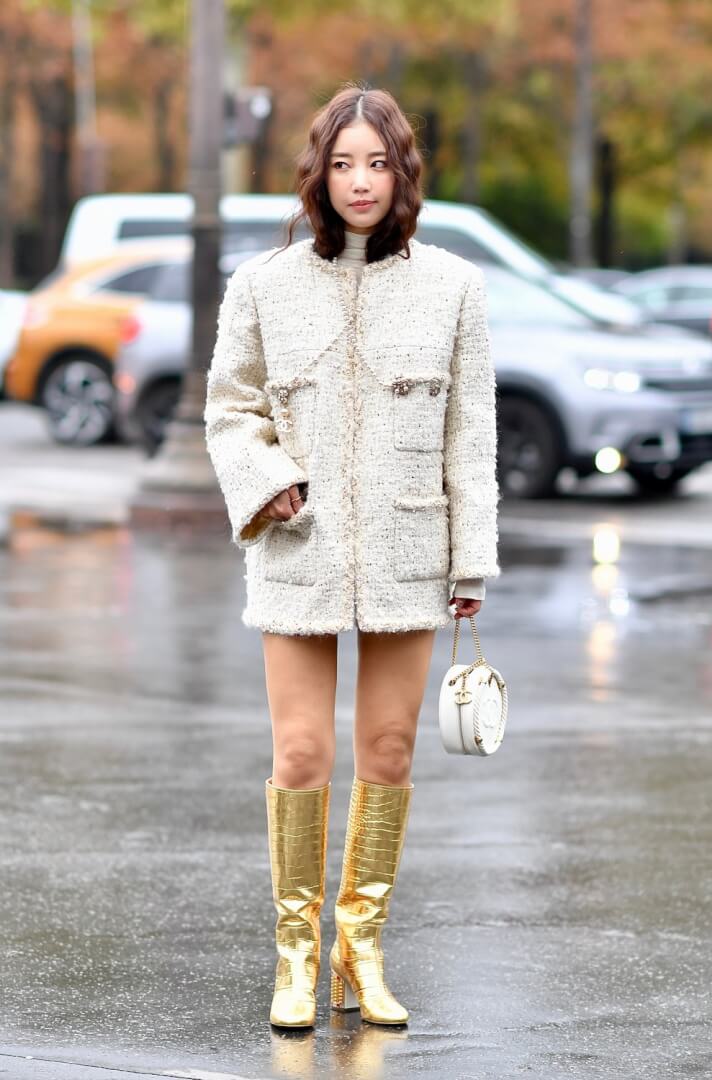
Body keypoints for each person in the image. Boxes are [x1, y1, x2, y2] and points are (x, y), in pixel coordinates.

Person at [204, 82, 500, 1030]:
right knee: (299, 753)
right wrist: (266, 481)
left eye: (378, 163)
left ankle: (359, 948)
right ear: (317, 174)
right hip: (300, 545)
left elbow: (471, 441)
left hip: (414, 548)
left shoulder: (455, 287)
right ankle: (296, 955)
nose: (361, 181)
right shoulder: (261, 286)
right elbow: (229, 412)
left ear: (403, 172)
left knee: (388, 749)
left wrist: (470, 566)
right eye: (343, 163)